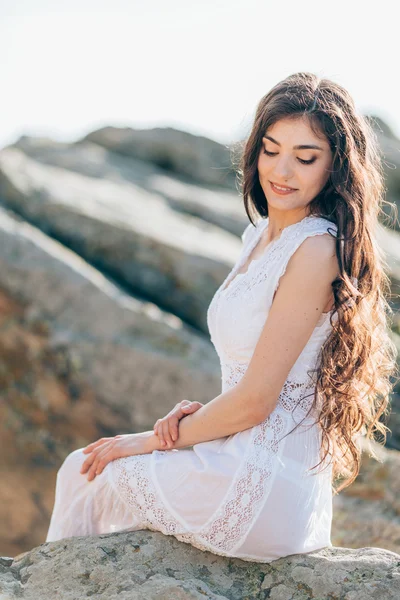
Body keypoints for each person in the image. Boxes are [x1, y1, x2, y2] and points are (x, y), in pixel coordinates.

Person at [45, 72, 398, 563]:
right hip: (238, 455)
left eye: (306, 157)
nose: (283, 171)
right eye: (271, 149)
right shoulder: (257, 238)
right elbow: (253, 377)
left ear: (336, 167)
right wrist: (189, 422)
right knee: (85, 469)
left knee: (83, 472)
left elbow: (256, 402)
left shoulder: (316, 250)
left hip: (261, 486)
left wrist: (152, 441)